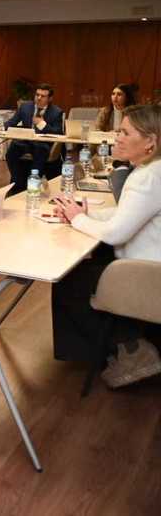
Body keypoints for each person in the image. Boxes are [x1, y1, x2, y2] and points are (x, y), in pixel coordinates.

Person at [52, 104, 161, 388]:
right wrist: (86, 215)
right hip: (149, 267)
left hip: (146, 275)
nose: (117, 136)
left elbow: (115, 233)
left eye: (125, 132)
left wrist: (77, 220)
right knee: (90, 266)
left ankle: (131, 350)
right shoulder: (152, 171)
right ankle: (124, 344)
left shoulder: (147, 177)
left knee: (69, 280)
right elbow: (130, 214)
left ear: (150, 141)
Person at [4, 83, 64, 194]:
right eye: (37, 95)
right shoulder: (25, 107)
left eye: (43, 96)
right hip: (25, 141)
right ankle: (18, 184)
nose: (39, 98)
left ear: (50, 98)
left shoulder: (56, 112)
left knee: (39, 152)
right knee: (11, 152)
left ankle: (32, 186)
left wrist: (42, 124)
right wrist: (2, 126)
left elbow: (59, 132)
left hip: (42, 143)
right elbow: (12, 122)